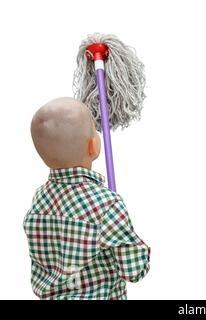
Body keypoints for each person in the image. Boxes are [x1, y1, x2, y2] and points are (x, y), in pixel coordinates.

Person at [24, 97, 150, 299]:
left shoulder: (39, 200)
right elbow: (134, 271)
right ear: (93, 146)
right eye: (95, 129)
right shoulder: (107, 204)